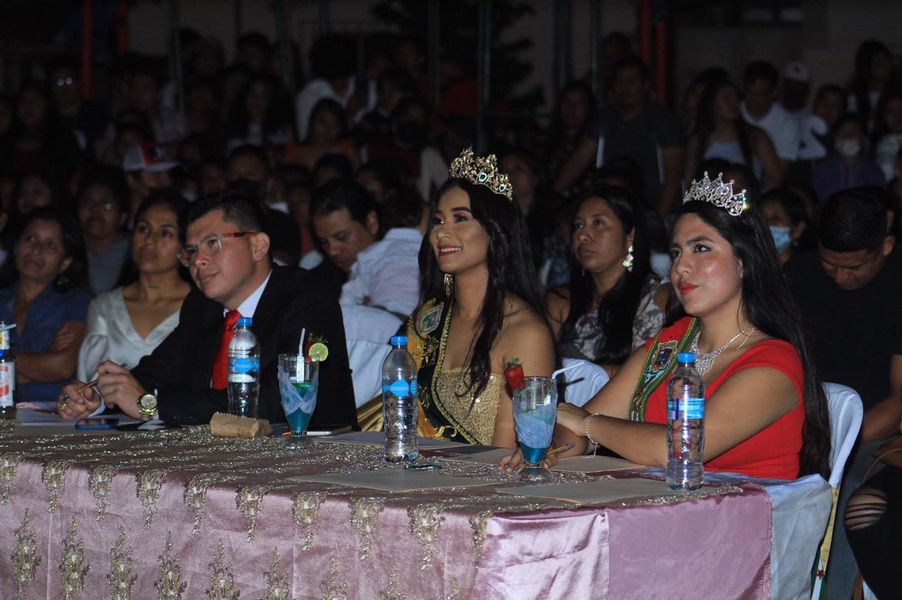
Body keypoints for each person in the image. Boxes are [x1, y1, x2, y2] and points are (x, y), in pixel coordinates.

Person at [524, 173, 831, 482]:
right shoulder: (671, 343)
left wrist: (588, 424)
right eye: (676, 253)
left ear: (744, 262)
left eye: (701, 249)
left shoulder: (774, 365)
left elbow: (680, 448)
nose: (680, 266)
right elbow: (577, 429)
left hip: (746, 508)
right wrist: (546, 450)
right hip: (662, 500)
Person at [57, 190, 357, 428]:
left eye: (212, 243)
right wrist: (99, 396)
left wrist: (151, 406)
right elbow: (156, 372)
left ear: (258, 246)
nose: (198, 261)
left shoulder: (307, 300)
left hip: (310, 462)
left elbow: (276, 403)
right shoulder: (202, 306)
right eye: (191, 251)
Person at [783, 187, 901, 599]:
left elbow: (899, 401)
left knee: (842, 484)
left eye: (853, 267)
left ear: (886, 246)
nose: (840, 277)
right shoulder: (799, 276)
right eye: (829, 264)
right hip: (804, 420)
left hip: (873, 432)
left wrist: (837, 441)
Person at [397, 148, 555, 446]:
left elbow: (512, 452)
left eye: (460, 218)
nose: (442, 233)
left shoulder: (524, 332)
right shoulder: (428, 320)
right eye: (438, 220)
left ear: (495, 231)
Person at [547, 186, 668, 378]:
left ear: (630, 236)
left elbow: (662, 375)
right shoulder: (561, 302)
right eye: (578, 225)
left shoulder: (659, 299)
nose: (583, 235)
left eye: (598, 223)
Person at [77, 192, 191, 382]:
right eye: (143, 228)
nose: (149, 240)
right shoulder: (105, 307)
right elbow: (91, 381)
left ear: (185, 247)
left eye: (165, 233)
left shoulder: (200, 307)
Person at [555, 55, 683, 217]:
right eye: (619, 81)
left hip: (651, 208)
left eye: (631, 81)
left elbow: (673, 176)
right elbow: (579, 161)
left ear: (645, 85)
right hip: (612, 210)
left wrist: (658, 218)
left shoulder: (663, 121)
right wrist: (553, 194)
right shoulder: (604, 119)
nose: (625, 87)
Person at [0, 208, 92, 405]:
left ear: (65, 262)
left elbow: (62, 366)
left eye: (50, 245)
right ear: (15, 247)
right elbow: (51, 367)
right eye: (30, 239)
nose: (36, 249)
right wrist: (41, 363)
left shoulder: (77, 301)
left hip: (54, 412)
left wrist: (4, 364)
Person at [685, 78, 783, 189]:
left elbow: (775, 178)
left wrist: (755, 197)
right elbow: (689, 180)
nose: (734, 103)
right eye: (727, 99)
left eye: (736, 98)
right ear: (712, 103)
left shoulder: (755, 137)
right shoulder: (698, 140)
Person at [77, 168, 131, 294]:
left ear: (122, 217)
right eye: (88, 202)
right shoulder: (66, 249)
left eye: (107, 205)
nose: (95, 209)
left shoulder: (135, 252)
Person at [811, 113, 885, 201]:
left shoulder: (873, 170)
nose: (848, 136)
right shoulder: (823, 169)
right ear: (835, 137)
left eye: (854, 132)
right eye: (843, 132)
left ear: (863, 138)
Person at [741, 61, 801, 168]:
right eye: (750, 92)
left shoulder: (787, 124)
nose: (753, 99)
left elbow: (780, 170)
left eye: (760, 94)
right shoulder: (733, 112)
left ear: (774, 93)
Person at [755, 188, 810, 265]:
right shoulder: (750, 265)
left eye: (775, 218)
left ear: (798, 229)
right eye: (761, 218)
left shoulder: (803, 268)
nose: (766, 224)